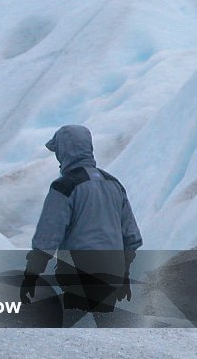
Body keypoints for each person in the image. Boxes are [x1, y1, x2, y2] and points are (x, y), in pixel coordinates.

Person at [21, 124, 142, 311]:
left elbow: (48, 237)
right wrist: (124, 274)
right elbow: (131, 237)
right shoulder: (113, 184)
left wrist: (31, 275)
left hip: (78, 275)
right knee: (101, 335)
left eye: (58, 151)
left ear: (64, 151)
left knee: (73, 333)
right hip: (112, 276)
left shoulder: (64, 186)